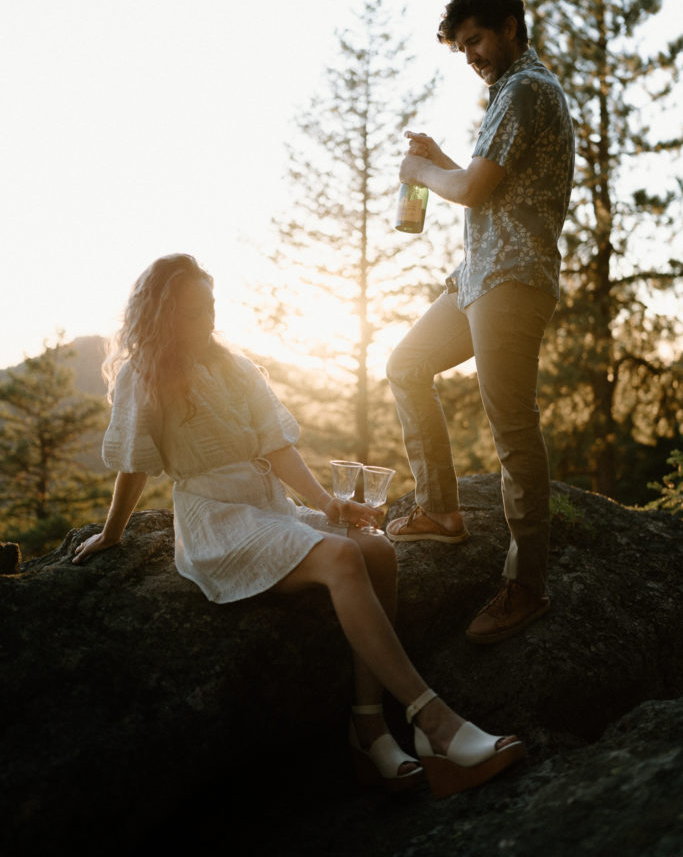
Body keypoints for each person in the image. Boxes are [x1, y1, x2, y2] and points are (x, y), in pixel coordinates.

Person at [73, 253, 525, 798]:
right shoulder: (142, 375)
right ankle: (435, 722)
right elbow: (134, 463)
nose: (208, 323)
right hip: (216, 521)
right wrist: (114, 532)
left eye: (211, 309)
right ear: (163, 316)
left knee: (376, 549)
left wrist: (328, 505)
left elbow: (277, 447)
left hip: (271, 509)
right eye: (194, 314)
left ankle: (368, 726)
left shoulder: (234, 366)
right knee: (341, 559)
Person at [385, 0, 574, 645]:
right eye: (460, 45)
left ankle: (526, 586)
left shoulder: (526, 90)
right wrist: (434, 160)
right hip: (475, 278)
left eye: (475, 40)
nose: (469, 54)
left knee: (511, 427)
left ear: (510, 28)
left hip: (512, 282)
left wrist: (421, 170)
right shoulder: (507, 94)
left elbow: (469, 190)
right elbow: (476, 178)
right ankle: (440, 509)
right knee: (405, 365)